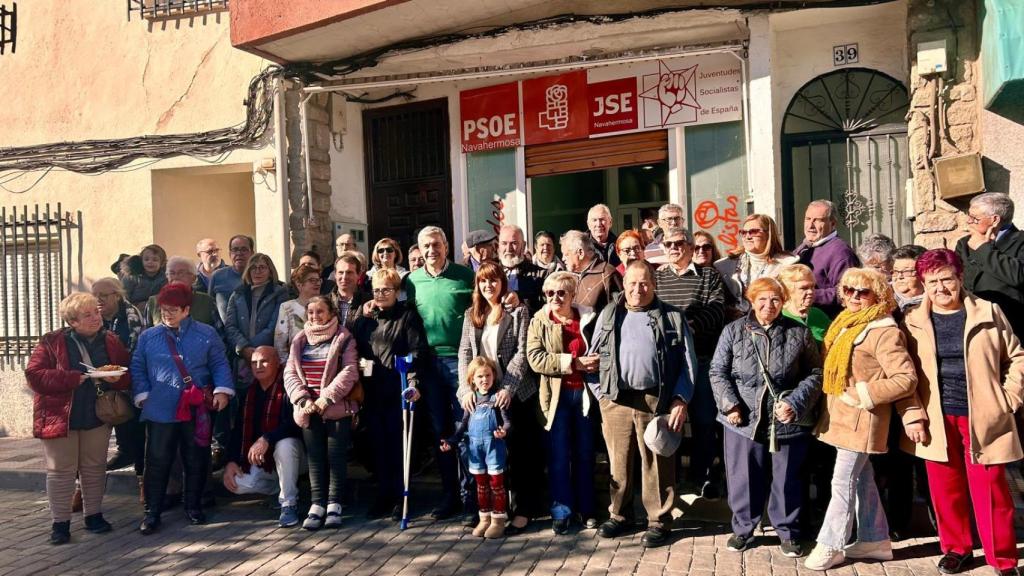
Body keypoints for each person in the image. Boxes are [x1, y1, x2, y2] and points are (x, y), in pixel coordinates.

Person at [899, 249, 1023, 576]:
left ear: (960, 278)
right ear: (923, 284)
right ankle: (956, 549)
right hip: (936, 417)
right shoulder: (912, 321)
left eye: (946, 279)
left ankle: (1002, 559)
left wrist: (1009, 397)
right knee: (945, 490)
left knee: (992, 490)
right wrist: (911, 412)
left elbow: (1017, 357)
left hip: (984, 415)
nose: (940, 288)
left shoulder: (988, 311)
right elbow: (903, 372)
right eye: (931, 282)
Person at [804, 268, 917, 570]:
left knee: (842, 481)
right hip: (839, 417)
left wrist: (865, 393)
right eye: (849, 290)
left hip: (863, 418)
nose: (854, 296)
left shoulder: (883, 329)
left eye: (863, 292)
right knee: (862, 479)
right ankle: (875, 538)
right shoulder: (843, 322)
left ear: (877, 295)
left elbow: (906, 378)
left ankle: (831, 544)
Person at [710, 277, 822, 557]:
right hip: (743, 419)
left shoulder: (799, 333)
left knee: (787, 479)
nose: (768, 305)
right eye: (762, 299)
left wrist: (796, 403)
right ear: (751, 300)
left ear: (783, 302)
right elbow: (718, 371)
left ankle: (787, 531)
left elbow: (815, 373)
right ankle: (743, 529)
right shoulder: (734, 331)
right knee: (743, 478)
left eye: (775, 299)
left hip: (785, 418)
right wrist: (730, 405)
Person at [589, 261, 694, 548]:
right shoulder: (609, 314)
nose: (638, 289)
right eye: (632, 283)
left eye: (644, 283)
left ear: (654, 284)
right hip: (617, 399)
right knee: (618, 461)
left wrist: (680, 399)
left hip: (656, 399)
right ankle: (620, 515)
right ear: (623, 285)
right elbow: (593, 358)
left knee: (657, 462)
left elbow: (688, 364)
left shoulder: (671, 317)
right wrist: (600, 393)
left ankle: (658, 520)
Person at [26, 292, 131, 544]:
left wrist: (117, 379)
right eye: (88, 315)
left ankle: (93, 515)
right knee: (60, 471)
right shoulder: (52, 341)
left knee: (94, 468)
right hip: (60, 415)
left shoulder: (111, 340)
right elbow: (35, 375)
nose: (96, 318)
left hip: (96, 414)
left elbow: (127, 373)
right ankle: (60, 524)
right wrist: (72, 378)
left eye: (96, 312)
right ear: (72, 321)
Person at [131, 284, 234, 534]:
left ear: (187, 310)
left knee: (196, 457)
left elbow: (220, 362)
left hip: (195, 406)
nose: (167, 314)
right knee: (156, 461)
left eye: (173, 309)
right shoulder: (148, 336)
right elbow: (137, 366)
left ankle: (194, 506)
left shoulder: (206, 333)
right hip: (160, 409)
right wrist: (143, 394)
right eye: (163, 309)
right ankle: (152, 512)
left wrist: (222, 389)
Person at [403, 225, 477, 522]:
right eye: (425, 246)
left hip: (461, 361)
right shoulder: (412, 281)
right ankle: (450, 496)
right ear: (419, 250)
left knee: (467, 427)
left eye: (436, 244)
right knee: (441, 431)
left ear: (446, 246)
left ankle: (471, 497)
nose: (431, 250)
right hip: (428, 365)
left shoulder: (464, 276)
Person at [456, 261, 536, 533]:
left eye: (493, 280)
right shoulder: (471, 314)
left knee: (521, 454)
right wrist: (466, 390)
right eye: (483, 281)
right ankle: (491, 513)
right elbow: (465, 353)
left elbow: (523, 352)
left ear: (503, 282)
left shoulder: (518, 311)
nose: (488, 286)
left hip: (516, 394)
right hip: (483, 398)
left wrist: (507, 388)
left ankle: (523, 509)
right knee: (491, 458)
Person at [654, 227, 726, 497]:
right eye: (668, 244)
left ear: (690, 245)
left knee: (704, 420)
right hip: (667, 364)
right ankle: (668, 481)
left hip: (702, 359)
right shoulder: (658, 279)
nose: (674, 248)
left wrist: (689, 327)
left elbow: (717, 310)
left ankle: (703, 477)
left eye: (679, 243)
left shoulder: (708, 275)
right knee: (666, 423)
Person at [351, 268, 428, 519]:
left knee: (398, 445)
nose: (381, 294)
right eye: (376, 290)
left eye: (386, 289)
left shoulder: (407, 318)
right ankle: (383, 495)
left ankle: (400, 496)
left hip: (398, 389)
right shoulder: (365, 321)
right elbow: (355, 349)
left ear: (396, 291)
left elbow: (417, 351)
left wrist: (411, 376)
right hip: (372, 391)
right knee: (377, 445)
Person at [527, 271, 599, 534]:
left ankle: (587, 508)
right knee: (558, 457)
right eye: (549, 293)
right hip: (555, 397)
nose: (555, 298)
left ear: (572, 294)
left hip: (585, 396)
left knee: (584, 454)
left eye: (561, 293)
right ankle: (561, 509)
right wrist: (573, 363)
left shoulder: (588, 319)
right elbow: (535, 358)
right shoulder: (539, 321)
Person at [283, 295, 360, 530]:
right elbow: (290, 372)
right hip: (309, 408)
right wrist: (303, 399)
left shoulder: (343, 337)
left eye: (320, 311)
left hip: (336, 407)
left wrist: (326, 397)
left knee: (335, 456)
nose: (315, 316)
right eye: (311, 312)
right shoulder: (299, 339)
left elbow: (349, 370)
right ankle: (317, 504)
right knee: (315, 457)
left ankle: (335, 504)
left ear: (331, 313)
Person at [222, 346, 304, 528]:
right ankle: (281, 488)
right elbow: (238, 431)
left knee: (285, 445)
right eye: (254, 363)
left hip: (295, 455)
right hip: (263, 460)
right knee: (235, 482)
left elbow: (295, 424)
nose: (258, 366)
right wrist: (232, 461)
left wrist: (267, 438)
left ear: (277, 362)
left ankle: (289, 502)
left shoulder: (289, 387)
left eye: (264, 361)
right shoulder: (250, 393)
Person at [443, 356, 511, 539]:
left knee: (497, 485)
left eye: (488, 375)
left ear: (493, 376)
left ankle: (498, 520)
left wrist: (503, 431)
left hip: (493, 449)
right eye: (480, 376)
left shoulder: (497, 398)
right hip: (475, 450)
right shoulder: (471, 401)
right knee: (481, 485)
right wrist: (451, 441)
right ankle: (484, 518)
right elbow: (463, 425)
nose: (484, 380)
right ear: (472, 379)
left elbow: (507, 422)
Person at [92, 278, 146, 490]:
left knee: (138, 430)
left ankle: (143, 481)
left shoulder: (131, 316)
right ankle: (82, 488)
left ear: (117, 295)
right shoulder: (92, 317)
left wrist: (118, 374)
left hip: (130, 379)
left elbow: (137, 351)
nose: (98, 300)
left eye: (103, 296)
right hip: (99, 381)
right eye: (95, 295)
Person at [955, 192, 1024, 338]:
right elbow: (960, 279)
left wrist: (983, 248)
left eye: (974, 218)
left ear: (994, 220)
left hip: (1013, 326)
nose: (968, 221)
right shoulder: (964, 244)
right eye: (969, 215)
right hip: (975, 324)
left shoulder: (1020, 241)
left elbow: (1018, 276)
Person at [715, 214, 797, 320]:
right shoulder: (724, 266)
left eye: (754, 232)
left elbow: (790, 300)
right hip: (735, 326)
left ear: (769, 234)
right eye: (743, 233)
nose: (748, 236)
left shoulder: (787, 264)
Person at [793, 200, 860, 318]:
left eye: (818, 220)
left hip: (824, 324)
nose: (810, 225)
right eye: (807, 219)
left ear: (833, 223)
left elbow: (846, 292)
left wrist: (808, 294)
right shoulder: (806, 246)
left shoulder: (840, 252)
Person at [225, 253, 288, 366]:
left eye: (262, 267)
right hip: (242, 357)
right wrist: (244, 348)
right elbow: (230, 326)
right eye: (253, 267)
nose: (257, 271)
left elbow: (274, 325)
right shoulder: (237, 294)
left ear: (270, 271)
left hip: (268, 355)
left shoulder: (279, 293)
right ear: (248, 271)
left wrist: (253, 348)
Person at [561, 230, 622, 334]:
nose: (563, 259)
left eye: (566, 254)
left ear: (580, 253)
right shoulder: (569, 277)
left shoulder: (608, 274)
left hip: (600, 343)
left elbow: (619, 313)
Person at [143, 256, 221, 330]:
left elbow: (218, 332)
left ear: (194, 278)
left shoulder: (207, 301)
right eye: (172, 273)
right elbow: (146, 333)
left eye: (181, 273)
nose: (176, 277)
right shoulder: (153, 302)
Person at [275, 264, 322, 363]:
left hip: (320, 363)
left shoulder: (324, 306)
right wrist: (286, 366)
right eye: (312, 280)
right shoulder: (287, 307)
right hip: (294, 364)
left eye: (318, 280)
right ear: (299, 284)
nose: (317, 283)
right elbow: (280, 341)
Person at [498, 224, 547, 314]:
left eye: (514, 243)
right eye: (504, 243)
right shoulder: (491, 274)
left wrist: (519, 300)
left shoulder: (542, 275)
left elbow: (547, 309)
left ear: (523, 245)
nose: (508, 249)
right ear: (499, 246)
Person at [777, 264, 831, 344]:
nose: (810, 292)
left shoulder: (818, 314)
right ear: (788, 290)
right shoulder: (780, 317)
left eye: (812, 287)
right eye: (804, 288)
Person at [209, 234, 255, 322]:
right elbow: (210, 307)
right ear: (230, 254)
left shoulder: (259, 276)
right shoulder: (218, 276)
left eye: (244, 249)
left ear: (252, 253)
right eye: (235, 250)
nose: (239, 253)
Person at [122, 244, 169, 310]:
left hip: (157, 309)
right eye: (146, 259)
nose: (150, 262)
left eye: (155, 260)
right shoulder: (132, 277)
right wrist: (133, 307)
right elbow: (124, 297)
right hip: (135, 309)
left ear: (162, 263)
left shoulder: (165, 278)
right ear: (141, 261)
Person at [332, 252, 371, 329]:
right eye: (340, 272)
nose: (344, 277)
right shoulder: (325, 302)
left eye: (349, 272)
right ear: (335, 275)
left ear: (359, 274)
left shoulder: (369, 302)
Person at [891, 245, 927, 313]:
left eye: (906, 271)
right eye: (895, 271)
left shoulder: (935, 304)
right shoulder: (883, 301)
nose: (899, 277)